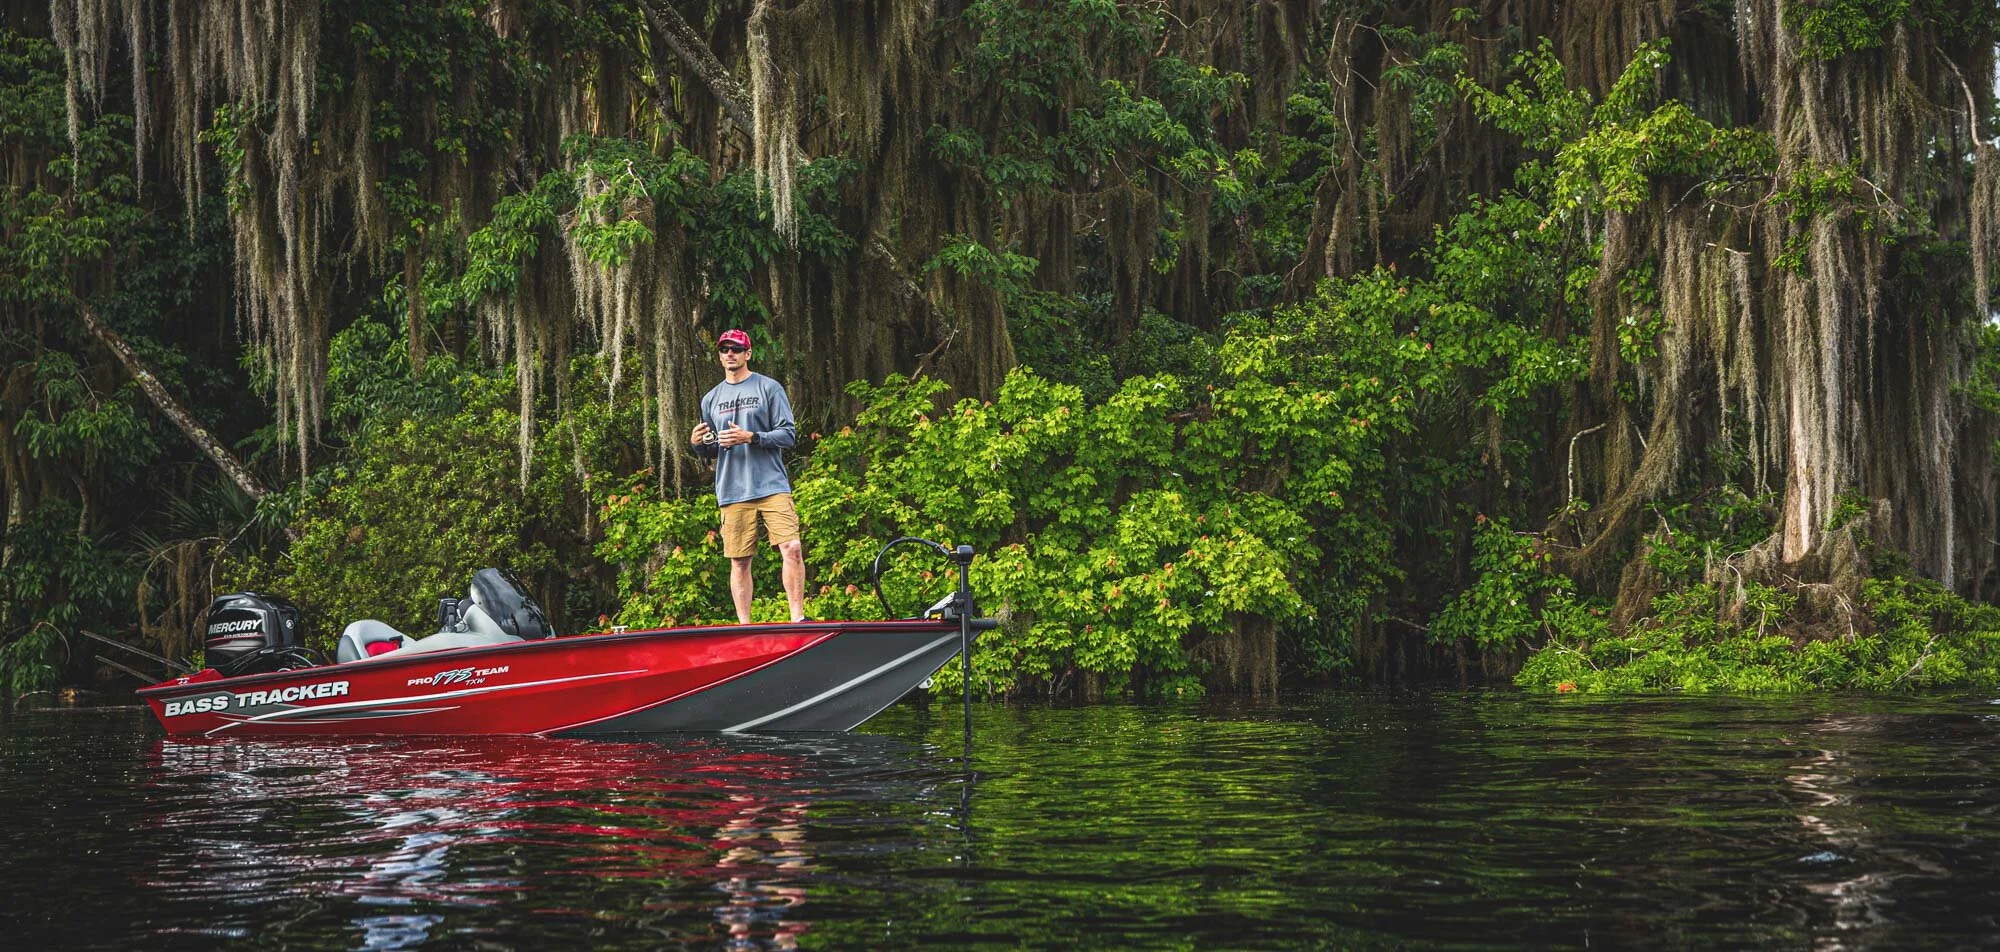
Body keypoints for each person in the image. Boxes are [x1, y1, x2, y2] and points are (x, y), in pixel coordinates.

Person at [690, 329, 805, 623]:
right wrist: (697, 444)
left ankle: (797, 618)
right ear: (719, 355)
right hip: (732, 489)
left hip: (771, 485)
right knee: (739, 561)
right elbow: (711, 448)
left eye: (736, 349)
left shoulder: (769, 388)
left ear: (748, 354)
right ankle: (745, 625)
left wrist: (751, 437)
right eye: (725, 349)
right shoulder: (710, 399)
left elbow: (788, 435)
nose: (730, 353)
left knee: (791, 547)